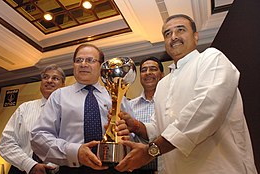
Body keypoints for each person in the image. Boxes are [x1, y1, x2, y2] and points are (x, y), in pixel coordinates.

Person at [115, 14, 258, 174]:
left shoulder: (212, 58)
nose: (173, 37)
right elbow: (159, 127)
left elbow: (206, 110)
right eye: (167, 34)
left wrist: (151, 151)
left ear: (196, 36)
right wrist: (136, 126)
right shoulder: (162, 84)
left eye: (180, 30)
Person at [30, 44, 133, 174]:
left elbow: (135, 134)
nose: (83, 64)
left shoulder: (117, 95)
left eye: (90, 60)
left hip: (116, 168)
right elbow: (39, 137)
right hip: (72, 168)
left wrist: (127, 135)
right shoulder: (59, 96)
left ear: (101, 66)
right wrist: (76, 152)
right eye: (79, 60)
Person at [0, 64, 66, 174]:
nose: (49, 80)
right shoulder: (24, 108)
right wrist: (30, 165)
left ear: (63, 85)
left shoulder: (71, 113)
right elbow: (5, 143)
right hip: (23, 170)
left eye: (55, 78)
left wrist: (52, 167)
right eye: (45, 77)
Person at [129, 56, 164, 174]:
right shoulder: (129, 105)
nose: (148, 73)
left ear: (162, 75)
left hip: (165, 166)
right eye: (143, 70)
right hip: (136, 168)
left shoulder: (170, 102)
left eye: (153, 69)